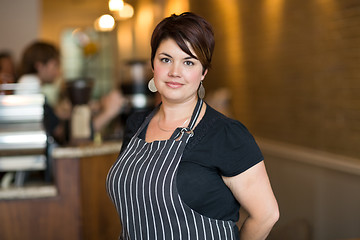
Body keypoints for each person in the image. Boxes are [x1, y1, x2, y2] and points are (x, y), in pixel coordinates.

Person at [106, 12, 279, 240]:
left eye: (188, 62)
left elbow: (266, 214)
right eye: (165, 59)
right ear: (153, 64)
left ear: (203, 72)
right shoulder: (137, 124)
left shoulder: (225, 134)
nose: (174, 72)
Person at [17, 41, 125, 144]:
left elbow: (49, 120)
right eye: (55, 65)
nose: (59, 71)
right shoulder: (29, 85)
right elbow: (66, 136)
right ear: (39, 66)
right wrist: (108, 112)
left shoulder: (31, 87)